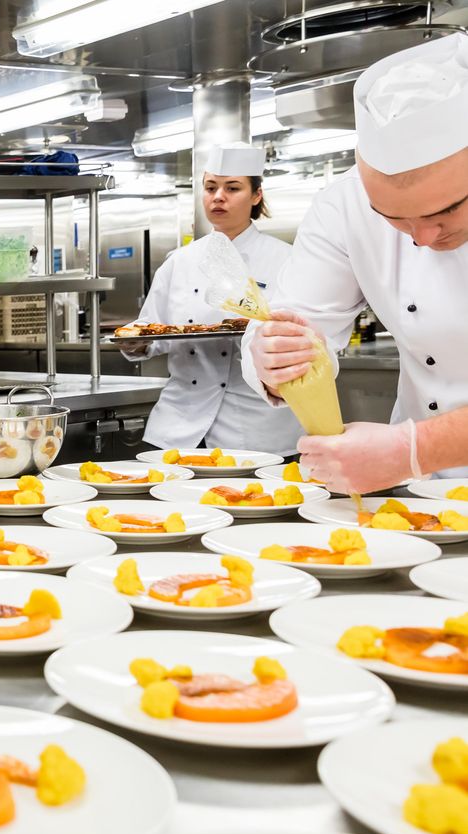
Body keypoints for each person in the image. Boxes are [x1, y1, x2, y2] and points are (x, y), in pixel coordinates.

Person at [244, 34, 468, 492]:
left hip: (410, 461)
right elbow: (299, 320)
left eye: (446, 211)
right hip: (419, 489)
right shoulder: (344, 204)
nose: (422, 238)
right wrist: (275, 357)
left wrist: (416, 448)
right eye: (394, 218)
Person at [119, 143, 302, 454]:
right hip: (179, 425)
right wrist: (136, 342)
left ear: (256, 195)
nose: (218, 197)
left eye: (232, 188)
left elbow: (302, 335)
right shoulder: (179, 262)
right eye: (210, 187)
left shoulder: (287, 260)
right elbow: (153, 330)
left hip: (257, 427)